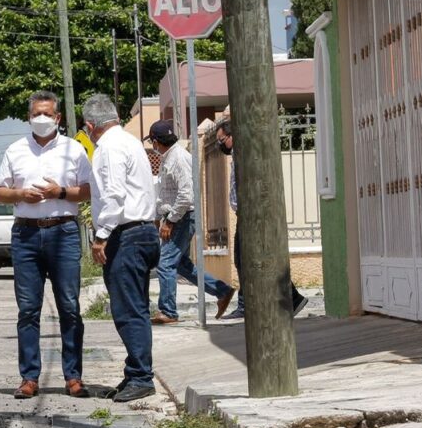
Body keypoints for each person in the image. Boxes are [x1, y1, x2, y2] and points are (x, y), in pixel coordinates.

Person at [0, 90, 92, 400]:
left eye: (48, 114)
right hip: (26, 235)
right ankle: (29, 378)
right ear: (28, 117)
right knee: (28, 310)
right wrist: (21, 194)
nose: (42, 119)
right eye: (37, 114)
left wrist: (59, 192)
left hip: (63, 232)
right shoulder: (15, 150)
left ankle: (73, 377)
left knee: (70, 307)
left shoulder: (74, 150)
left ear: (58, 117)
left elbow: (88, 191)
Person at [83, 94, 160, 403]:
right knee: (135, 307)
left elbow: (114, 196)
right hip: (141, 232)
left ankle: (141, 376)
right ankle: (134, 372)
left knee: (128, 311)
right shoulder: (128, 142)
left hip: (125, 235)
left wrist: (100, 237)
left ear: (90, 125)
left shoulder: (108, 149)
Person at [215, 119, 307, 320]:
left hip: (252, 215)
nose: (220, 144)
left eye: (222, 139)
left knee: (246, 258)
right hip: (247, 214)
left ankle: (248, 303)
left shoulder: (246, 154)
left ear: (232, 136)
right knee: (257, 257)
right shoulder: (239, 155)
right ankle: (290, 297)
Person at [146, 120, 236, 324]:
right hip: (178, 217)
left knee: (165, 263)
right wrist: (160, 218)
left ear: (156, 141)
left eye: (152, 141)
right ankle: (221, 291)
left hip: (182, 217)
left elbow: (186, 195)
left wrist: (169, 220)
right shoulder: (170, 157)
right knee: (182, 266)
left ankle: (168, 311)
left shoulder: (177, 158)